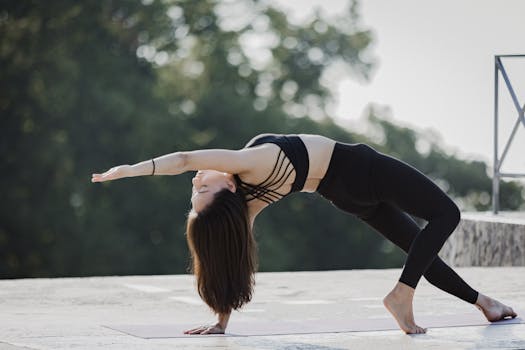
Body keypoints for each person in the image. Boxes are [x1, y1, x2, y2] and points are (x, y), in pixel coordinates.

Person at [91, 133, 517, 335]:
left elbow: (233, 261)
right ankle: (402, 295)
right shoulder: (247, 163)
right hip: (360, 171)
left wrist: (221, 322)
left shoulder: (250, 202)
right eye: (203, 189)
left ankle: (486, 304)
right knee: (447, 213)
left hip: (344, 196)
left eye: (195, 191)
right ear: (227, 189)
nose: (195, 183)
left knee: (421, 250)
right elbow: (183, 156)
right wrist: (130, 170)